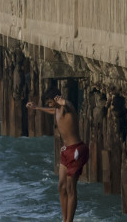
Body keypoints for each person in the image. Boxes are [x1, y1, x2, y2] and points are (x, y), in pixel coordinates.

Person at [26, 87, 88, 222]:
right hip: (66, 151)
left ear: (56, 99)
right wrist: (37, 108)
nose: (49, 105)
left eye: (50, 102)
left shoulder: (67, 108)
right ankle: (64, 219)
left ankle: (69, 221)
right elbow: (52, 110)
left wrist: (64, 101)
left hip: (76, 151)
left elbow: (70, 106)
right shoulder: (57, 110)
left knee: (71, 188)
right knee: (61, 186)